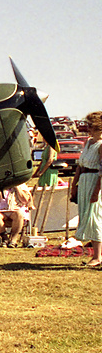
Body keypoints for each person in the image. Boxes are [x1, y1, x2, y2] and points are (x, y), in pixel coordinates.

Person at [71, 111, 102, 267]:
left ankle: (98, 256)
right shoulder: (88, 142)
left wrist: (96, 191)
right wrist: (74, 184)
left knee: (95, 217)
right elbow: (80, 166)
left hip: (95, 181)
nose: (88, 129)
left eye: (91, 126)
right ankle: (96, 254)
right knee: (86, 216)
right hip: (84, 180)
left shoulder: (101, 145)